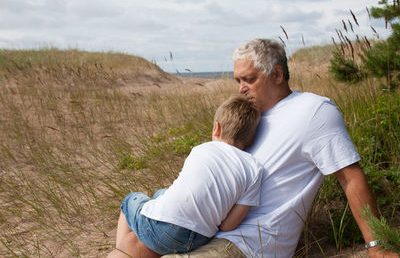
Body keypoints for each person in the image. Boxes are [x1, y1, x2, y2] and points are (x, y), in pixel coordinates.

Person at [162, 39, 398, 258]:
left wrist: (378, 246)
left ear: (276, 74)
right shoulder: (249, 120)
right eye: (238, 81)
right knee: (132, 241)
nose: (241, 88)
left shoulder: (313, 111)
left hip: (251, 244)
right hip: (209, 231)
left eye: (249, 79)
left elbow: (350, 177)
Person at [108, 94, 264, 258]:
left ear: (216, 128)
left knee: (130, 200)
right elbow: (228, 226)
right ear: (252, 140)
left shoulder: (201, 149)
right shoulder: (255, 168)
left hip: (163, 231)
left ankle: (121, 252)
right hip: (200, 237)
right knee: (161, 193)